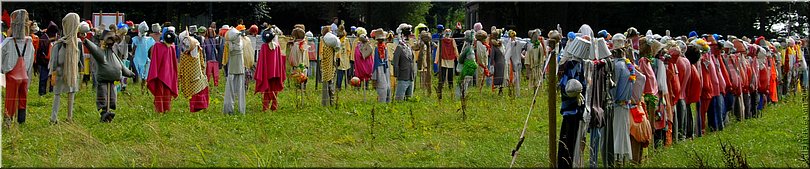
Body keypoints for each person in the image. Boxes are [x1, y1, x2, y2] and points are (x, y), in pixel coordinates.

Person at [84, 29, 136, 122]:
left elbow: (121, 66)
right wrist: (86, 41)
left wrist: (130, 73)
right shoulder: (101, 53)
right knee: (103, 96)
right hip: (103, 80)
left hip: (113, 81)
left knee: (112, 97)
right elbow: (94, 49)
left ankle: (109, 111)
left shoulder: (113, 53)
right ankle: (104, 112)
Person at [48, 13, 83, 124]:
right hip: (65, 72)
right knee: (64, 93)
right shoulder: (61, 43)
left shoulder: (76, 43)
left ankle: (62, 117)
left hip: (68, 72)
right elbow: (81, 61)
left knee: (65, 93)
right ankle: (62, 117)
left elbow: (53, 61)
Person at [2, 9, 34, 126]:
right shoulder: (29, 41)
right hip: (24, 75)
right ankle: (21, 121)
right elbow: (30, 61)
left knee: (10, 100)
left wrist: (3, 68)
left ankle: (8, 122)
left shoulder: (8, 42)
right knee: (22, 99)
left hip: (12, 76)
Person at [255, 27, 286, 111]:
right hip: (276, 72)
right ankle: (274, 106)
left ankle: (265, 107)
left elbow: (261, 60)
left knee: (267, 89)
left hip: (267, 72)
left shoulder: (264, 47)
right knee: (274, 89)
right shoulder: (277, 46)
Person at [147, 30, 179, 114]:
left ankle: (161, 110)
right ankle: (164, 109)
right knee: (165, 93)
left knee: (161, 92)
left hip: (160, 73)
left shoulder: (160, 46)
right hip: (167, 74)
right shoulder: (170, 46)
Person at [178, 30, 210, 113]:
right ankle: (198, 108)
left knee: (197, 90)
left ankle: (199, 107)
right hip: (193, 73)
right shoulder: (192, 46)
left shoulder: (195, 45)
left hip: (195, 73)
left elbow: (195, 56)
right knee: (196, 90)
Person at [223, 27, 247, 114]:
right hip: (233, 69)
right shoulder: (230, 44)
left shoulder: (238, 42)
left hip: (239, 69)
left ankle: (241, 110)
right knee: (231, 90)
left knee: (240, 90)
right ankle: (229, 109)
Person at [392, 23, 415, 101]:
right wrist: (396, 75)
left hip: (410, 77)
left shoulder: (409, 47)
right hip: (402, 77)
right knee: (399, 99)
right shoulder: (399, 47)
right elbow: (395, 63)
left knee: (409, 99)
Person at [132, 21, 155, 91]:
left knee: (143, 75)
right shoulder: (149, 40)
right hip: (143, 59)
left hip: (139, 59)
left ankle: (144, 88)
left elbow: (134, 49)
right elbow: (151, 51)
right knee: (144, 75)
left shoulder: (136, 39)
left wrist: (132, 54)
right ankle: (144, 88)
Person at [321, 25, 340, 106]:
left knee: (327, 83)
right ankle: (331, 101)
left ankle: (327, 102)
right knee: (330, 82)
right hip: (331, 66)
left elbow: (323, 55)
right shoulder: (331, 45)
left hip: (326, 67)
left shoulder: (324, 42)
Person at [436, 29, 458, 100]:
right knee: (450, 73)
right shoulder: (452, 40)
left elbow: (438, 49)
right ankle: (450, 86)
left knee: (443, 73)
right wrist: (457, 57)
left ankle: (441, 85)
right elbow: (455, 48)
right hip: (451, 58)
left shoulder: (441, 40)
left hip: (443, 58)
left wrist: (436, 60)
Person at [370, 28, 391, 103]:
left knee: (388, 87)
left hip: (385, 67)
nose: (381, 41)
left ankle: (387, 101)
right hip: (378, 67)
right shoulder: (375, 48)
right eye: (379, 39)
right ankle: (381, 102)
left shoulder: (385, 47)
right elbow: (374, 60)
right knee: (382, 87)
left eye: (382, 39)